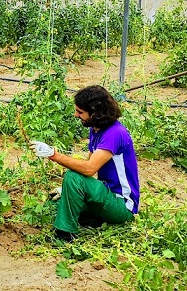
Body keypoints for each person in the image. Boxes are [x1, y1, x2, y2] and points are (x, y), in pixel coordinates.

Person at [30, 85, 140, 241]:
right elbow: (91, 165)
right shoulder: (96, 129)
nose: (76, 115)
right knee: (56, 203)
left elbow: (89, 169)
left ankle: (65, 235)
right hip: (106, 194)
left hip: (121, 204)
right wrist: (66, 189)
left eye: (80, 112)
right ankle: (97, 219)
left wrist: (53, 154)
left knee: (73, 178)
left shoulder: (114, 133)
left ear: (96, 112)